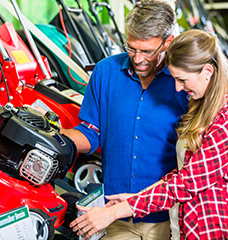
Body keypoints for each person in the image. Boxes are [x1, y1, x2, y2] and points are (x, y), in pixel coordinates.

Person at [69, 29, 228, 240]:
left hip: (209, 228)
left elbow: (186, 184)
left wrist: (117, 211)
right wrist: (134, 199)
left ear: (207, 71)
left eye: (182, 80)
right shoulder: (206, 112)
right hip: (186, 227)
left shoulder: (223, 123)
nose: (178, 88)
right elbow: (178, 175)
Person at [62, 0, 188, 239]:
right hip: (115, 214)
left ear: (168, 42)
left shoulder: (183, 82)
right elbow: (91, 133)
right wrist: (56, 138)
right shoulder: (105, 72)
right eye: (131, 48)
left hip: (169, 217)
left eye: (148, 51)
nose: (138, 59)